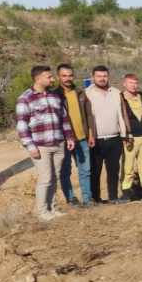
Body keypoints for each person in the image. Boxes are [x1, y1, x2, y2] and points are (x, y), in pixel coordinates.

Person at [16, 65, 75, 220]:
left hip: (58, 143)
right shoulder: (25, 98)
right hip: (40, 146)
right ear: (38, 78)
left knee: (55, 177)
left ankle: (52, 208)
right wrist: (30, 146)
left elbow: (64, 118)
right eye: (49, 77)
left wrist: (69, 137)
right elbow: (22, 126)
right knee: (45, 179)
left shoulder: (55, 96)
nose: (52, 79)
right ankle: (42, 212)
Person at [85, 65, 129, 203]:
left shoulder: (116, 92)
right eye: (99, 76)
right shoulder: (87, 94)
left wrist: (124, 134)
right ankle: (96, 199)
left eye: (104, 76)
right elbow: (86, 117)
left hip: (115, 138)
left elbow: (121, 114)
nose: (102, 78)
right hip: (96, 140)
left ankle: (113, 197)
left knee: (113, 171)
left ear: (108, 76)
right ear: (93, 77)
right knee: (95, 171)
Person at [52, 63, 93, 207]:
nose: (67, 78)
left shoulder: (80, 93)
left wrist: (91, 134)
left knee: (85, 170)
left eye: (70, 75)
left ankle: (87, 199)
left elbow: (89, 115)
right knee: (65, 172)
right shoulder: (54, 95)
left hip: (82, 138)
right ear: (58, 77)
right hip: (64, 141)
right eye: (64, 76)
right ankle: (71, 199)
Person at [120, 73, 142, 200]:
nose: (133, 85)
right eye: (130, 83)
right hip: (129, 138)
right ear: (124, 84)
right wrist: (124, 135)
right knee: (128, 166)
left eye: (135, 83)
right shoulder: (120, 99)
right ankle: (126, 193)